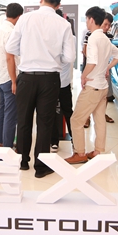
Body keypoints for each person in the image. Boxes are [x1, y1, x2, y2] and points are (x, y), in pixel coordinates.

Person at [5, 0, 75, 178]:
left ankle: (22, 161)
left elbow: (10, 47)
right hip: (50, 79)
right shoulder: (64, 24)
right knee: (45, 122)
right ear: (58, 4)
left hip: (26, 77)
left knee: (23, 120)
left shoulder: (25, 19)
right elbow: (69, 57)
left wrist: (28, 52)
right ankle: (41, 167)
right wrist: (53, 58)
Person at [65, 7, 118, 165]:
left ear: (91, 19)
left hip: (93, 86)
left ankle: (80, 153)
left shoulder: (93, 38)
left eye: (87, 19)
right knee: (99, 119)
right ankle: (97, 151)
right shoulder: (105, 38)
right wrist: (107, 68)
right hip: (103, 87)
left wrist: (83, 76)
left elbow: (92, 61)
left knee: (76, 120)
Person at [0, 3, 24, 148]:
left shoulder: (0, 29)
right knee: (11, 114)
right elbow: (10, 58)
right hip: (8, 77)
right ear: (19, 16)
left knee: (3, 111)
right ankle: (7, 146)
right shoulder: (11, 32)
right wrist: (14, 81)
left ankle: (1, 141)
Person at [82, 13, 115, 127]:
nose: (106, 27)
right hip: (91, 69)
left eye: (109, 25)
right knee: (88, 94)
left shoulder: (109, 36)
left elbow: (113, 53)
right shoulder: (90, 34)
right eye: (105, 24)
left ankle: (101, 114)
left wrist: (107, 66)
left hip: (104, 69)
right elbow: (85, 51)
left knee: (104, 95)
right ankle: (87, 117)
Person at [51, 8, 75, 153]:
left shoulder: (65, 36)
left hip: (57, 81)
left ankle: (55, 142)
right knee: (66, 111)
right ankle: (73, 140)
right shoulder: (70, 36)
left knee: (56, 111)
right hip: (61, 81)